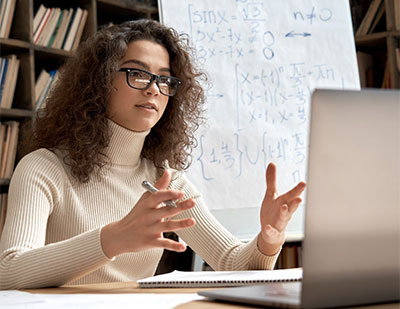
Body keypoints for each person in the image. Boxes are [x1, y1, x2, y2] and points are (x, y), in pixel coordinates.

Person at [0, 20, 306, 290]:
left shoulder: (167, 182)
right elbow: (9, 270)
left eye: (164, 79)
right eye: (137, 73)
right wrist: (112, 239)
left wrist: (268, 239)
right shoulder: (42, 168)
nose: (154, 89)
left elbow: (232, 263)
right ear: (100, 81)